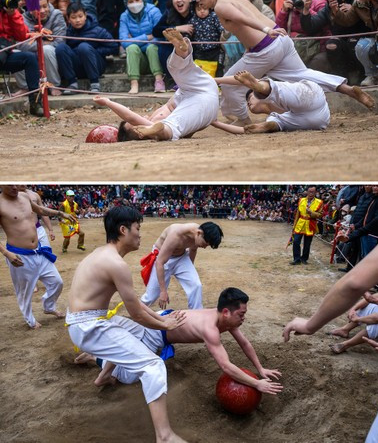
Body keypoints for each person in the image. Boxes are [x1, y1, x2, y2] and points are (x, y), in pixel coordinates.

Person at [281, 186, 378, 443]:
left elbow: (354, 284)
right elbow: (373, 296)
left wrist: (311, 325)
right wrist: (365, 302)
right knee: (372, 306)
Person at [188, 0, 374, 125]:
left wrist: (266, 29)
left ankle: (243, 120)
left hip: (266, 47)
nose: (198, 0)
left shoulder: (220, 6)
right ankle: (347, 88)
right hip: (280, 41)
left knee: (230, 83)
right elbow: (245, 24)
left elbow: (244, 19)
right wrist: (266, 32)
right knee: (304, 75)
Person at [65, 205, 188, 443]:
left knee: (139, 333)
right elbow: (137, 314)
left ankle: (103, 375)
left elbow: (135, 305)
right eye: (137, 229)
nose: (140, 234)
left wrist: (162, 319)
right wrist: (167, 326)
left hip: (90, 319)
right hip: (89, 327)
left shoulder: (105, 254)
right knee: (153, 365)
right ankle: (165, 436)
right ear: (123, 230)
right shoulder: (116, 264)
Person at [77, 287, 282, 395]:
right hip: (156, 331)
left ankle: (99, 355)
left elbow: (244, 343)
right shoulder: (210, 329)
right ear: (226, 312)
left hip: (164, 319)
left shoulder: (228, 320)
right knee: (129, 377)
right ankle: (96, 356)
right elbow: (226, 366)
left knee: (128, 345)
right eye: (242, 313)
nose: (244, 317)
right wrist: (257, 384)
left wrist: (260, 368)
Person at [96, 28, 220, 141]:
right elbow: (131, 117)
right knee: (170, 129)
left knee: (174, 68)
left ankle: (181, 50)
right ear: (140, 133)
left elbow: (191, 128)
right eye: (136, 125)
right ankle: (162, 132)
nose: (137, 119)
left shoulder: (156, 118)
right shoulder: (153, 122)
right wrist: (108, 102)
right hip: (202, 102)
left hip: (195, 91)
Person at [0, 185, 73, 328]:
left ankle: (49, 306)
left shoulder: (25, 196)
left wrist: (60, 213)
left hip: (39, 251)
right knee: (25, 291)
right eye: (11, 184)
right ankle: (30, 319)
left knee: (57, 282)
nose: (15, 187)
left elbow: (39, 210)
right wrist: (6, 253)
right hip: (18, 254)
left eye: (17, 184)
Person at [300, 0, 369, 85]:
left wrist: (354, 10)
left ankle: (360, 74)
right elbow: (312, 26)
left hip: (360, 39)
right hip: (340, 41)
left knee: (354, 43)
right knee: (331, 44)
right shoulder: (327, 8)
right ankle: (341, 78)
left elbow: (368, 22)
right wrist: (306, 11)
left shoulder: (355, 3)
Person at [139, 220, 223, 310]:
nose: (205, 247)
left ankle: (196, 312)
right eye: (205, 244)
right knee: (151, 296)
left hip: (181, 257)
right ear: (199, 233)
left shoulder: (198, 235)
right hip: (162, 257)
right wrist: (163, 291)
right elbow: (160, 262)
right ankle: (136, 309)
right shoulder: (176, 235)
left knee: (196, 285)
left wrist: (190, 271)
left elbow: (193, 250)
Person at [329, 270, 378, 355]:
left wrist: (358, 319)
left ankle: (345, 345)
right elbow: (370, 299)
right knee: (373, 306)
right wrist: (353, 309)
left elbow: (377, 318)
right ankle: (345, 329)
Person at [56, 1, 117, 94]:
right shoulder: (67, 32)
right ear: (68, 19)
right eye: (74, 17)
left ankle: (95, 84)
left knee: (83, 47)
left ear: (85, 16)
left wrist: (93, 51)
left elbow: (114, 47)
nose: (77, 20)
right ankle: (72, 83)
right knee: (61, 48)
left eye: (80, 16)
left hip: (96, 65)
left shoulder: (97, 30)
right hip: (78, 65)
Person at [14, 0, 65, 93]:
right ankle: (25, 87)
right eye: (38, 8)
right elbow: (21, 44)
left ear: (48, 4)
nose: (42, 11)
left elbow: (60, 42)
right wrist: (44, 42)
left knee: (46, 50)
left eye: (45, 6)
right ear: (29, 8)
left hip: (51, 57)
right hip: (31, 55)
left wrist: (37, 44)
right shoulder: (22, 19)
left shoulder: (56, 15)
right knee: (15, 52)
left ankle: (53, 85)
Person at [0, 2, 44, 116]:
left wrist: (12, 15)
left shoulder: (9, 10)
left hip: (4, 52)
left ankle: (35, 103)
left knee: (30, 58)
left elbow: (22, 35)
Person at [276, 0, 328, 69]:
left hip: (316, 48)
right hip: (295, 49)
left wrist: (304, 9)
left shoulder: (319, 3)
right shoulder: (288, 7)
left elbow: (319, 23)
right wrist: (283, 12)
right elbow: (279, 30)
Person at [120, 0, 165, 94]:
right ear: (126, 3)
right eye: (130, 1)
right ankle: (134, 84)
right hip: (139, 61)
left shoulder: (154, 12)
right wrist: (147, 37)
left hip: (156, 58)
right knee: (131, 48)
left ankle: (159, 81)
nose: (134, 4)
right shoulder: (124, 16)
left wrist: (134, 39)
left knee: (151, 47)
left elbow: (160, 36)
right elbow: (124, 42)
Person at [188, 0, 224, 77]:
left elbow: (222, 29)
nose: (202, 11)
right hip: (200, 51)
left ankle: (218, 84)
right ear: (194, 10)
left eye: (204, 9)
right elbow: (189, 34)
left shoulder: (214, 16)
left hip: (215, 49)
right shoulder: (193, 20)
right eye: (199, 9)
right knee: (201, 69)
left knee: (218, 68)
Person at [288, 186, 323, 265]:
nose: (311, 193)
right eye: (309, 191)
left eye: (313, 192)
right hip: (300, 223)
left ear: (315, 192)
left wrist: (311, 213)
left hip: (310, 224)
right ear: (307, 192)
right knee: (296, 241)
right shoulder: (301, 200)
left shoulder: (319, 202)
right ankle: (296, 259)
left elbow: (320, 215)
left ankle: (304, 258)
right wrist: (294, 225)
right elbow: (298, 213)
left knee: (307, 243)